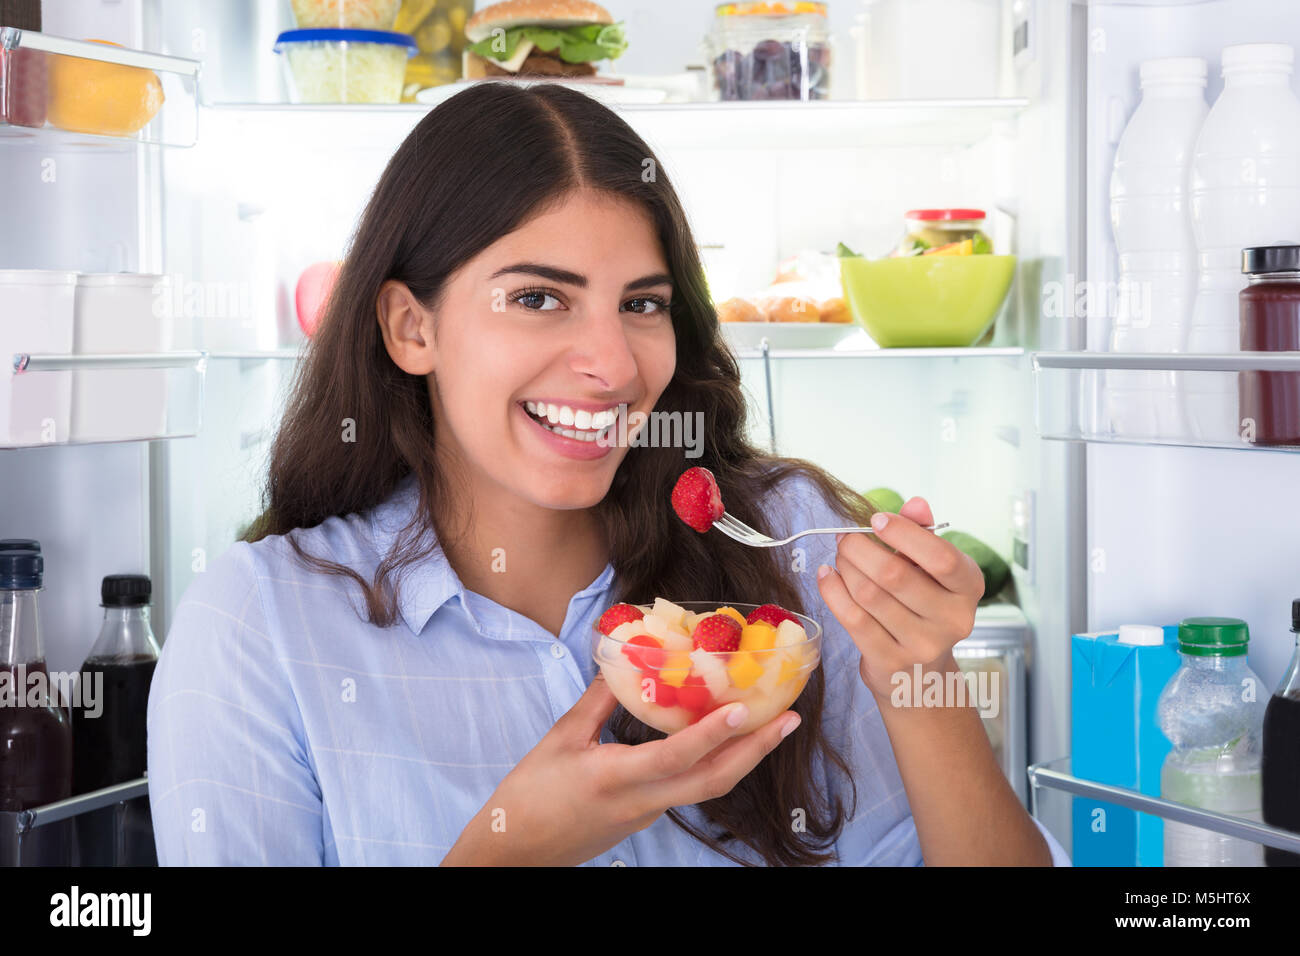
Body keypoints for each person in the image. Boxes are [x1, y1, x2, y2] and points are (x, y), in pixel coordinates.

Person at [146, 82, 1068, 866]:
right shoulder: (260, 624)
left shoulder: (786, 550)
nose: (614, 365)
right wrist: (504, 852)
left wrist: (923, 681)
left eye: (642, 304)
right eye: (539, 298)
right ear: (410, 328)